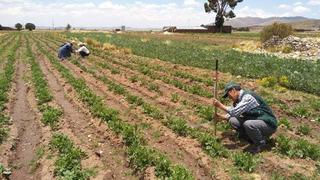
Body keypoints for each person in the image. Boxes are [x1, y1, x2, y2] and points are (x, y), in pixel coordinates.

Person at [213, 82, 278, 153]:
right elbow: (234, 112)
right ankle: (249, 137)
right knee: (233, 120)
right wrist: (222, 117)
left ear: (233, 90)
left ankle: (261, 144)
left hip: (268, 124)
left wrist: (220, 105)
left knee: (249, 124)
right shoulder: (238, 100)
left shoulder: (248, 97)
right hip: (257, 121)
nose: (229, 98)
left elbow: (234, 112)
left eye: (228, 95)